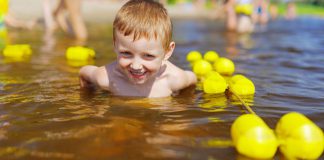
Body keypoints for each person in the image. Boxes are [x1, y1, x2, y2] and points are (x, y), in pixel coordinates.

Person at [79, 0, 197, 98]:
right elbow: (84, 73)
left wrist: (181, 104)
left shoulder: (174, 79)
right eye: (126, 53)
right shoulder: (107, 78)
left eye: (148, 56)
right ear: (115, 45)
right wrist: (90, 100)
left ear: (167, 52)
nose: (136, 66)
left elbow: (192, 79)